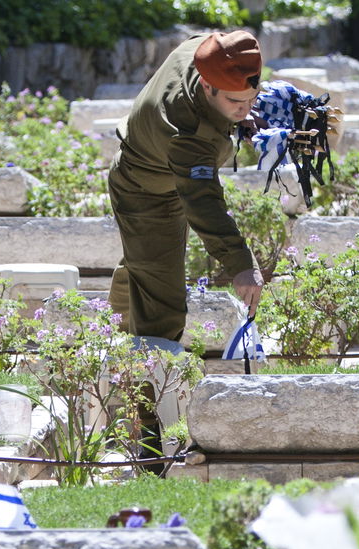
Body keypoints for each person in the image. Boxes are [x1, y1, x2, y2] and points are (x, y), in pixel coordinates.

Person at [107, 30, 265, 345]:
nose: (244, 109)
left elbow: (226, 59)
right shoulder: (188, 133)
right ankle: (144, 389)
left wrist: (241, 112)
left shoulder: (209, 51)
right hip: (144, 191)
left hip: (156, 167)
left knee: (144, 265)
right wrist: (241, 264)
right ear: (206, 85)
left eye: (252, 99)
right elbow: (203, 202)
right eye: (235, 101)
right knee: (162, 309)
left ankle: (112, 347)